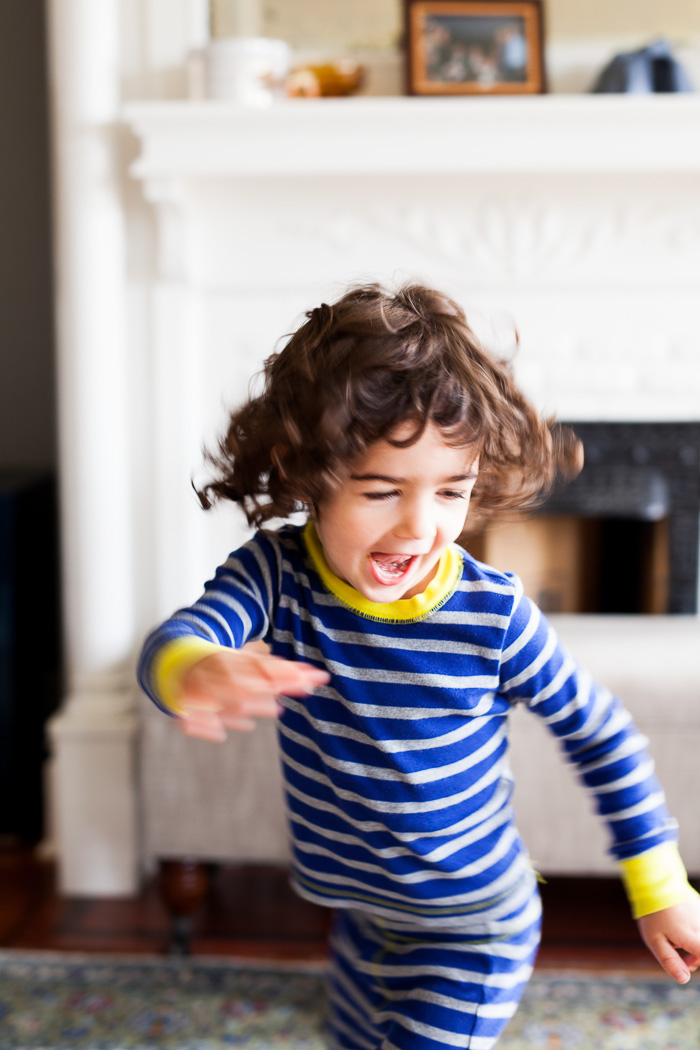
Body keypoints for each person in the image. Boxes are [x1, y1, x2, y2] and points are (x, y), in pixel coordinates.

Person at [138, 283, 700, 1050]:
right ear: (306, 474)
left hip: (476, 927)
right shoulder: (276, 574)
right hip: (360, 917)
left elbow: (602, 735)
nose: (420, 523)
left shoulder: (493, 616)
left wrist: (660, 888)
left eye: (451, 491)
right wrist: (193, 670)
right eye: (380, 490)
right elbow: (181, 639)